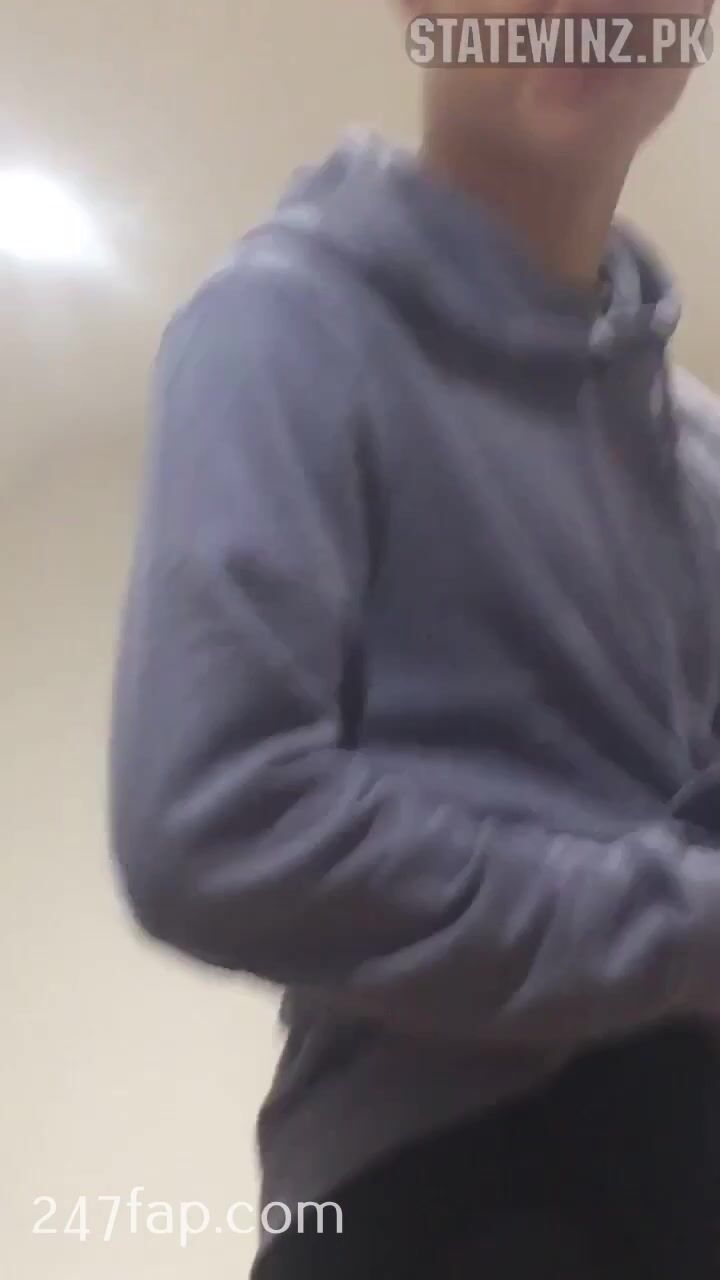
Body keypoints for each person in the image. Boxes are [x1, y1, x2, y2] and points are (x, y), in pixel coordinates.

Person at [110, 1, 720, 1275]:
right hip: (438, 1193)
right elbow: (218, 823)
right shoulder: (279, 323)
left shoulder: (702, 456)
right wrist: (686, 927)